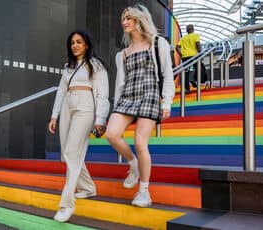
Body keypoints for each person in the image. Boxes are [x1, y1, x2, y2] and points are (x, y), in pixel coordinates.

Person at [105, 4, 175, 208]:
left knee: (140, 142)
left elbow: (167, 75)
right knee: (112, 134)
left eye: (129, 18)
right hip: (128, 96)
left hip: (150, 95)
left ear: (139, 19)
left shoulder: (157, 43)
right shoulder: (123, 54)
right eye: (123, 19)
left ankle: (144, 191)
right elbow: (120, 83)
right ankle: (132, 164)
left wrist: (167, 101)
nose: (124, 22)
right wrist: (115, 107)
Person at [48, 30, 110, 222]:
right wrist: (54, 116)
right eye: (73, 42)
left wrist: (100, 119)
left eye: (79, 42)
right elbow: (60, 92)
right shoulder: (68, 67)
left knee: (71, 153)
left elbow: (102, 95)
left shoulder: (96, 65)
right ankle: (88, 188)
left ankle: (66, 204)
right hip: (67, 106)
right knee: (67, 154)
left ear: (87, 45)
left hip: (85, 108)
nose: (75, 45)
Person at [176, 24, 201, 94]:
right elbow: (198, 44)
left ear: (187, 31)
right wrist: (200, 51)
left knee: (186, 73)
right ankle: (193, 80)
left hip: (185, 57)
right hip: (194, 56)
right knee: (199, 69)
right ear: (193, 29)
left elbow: (177, 47)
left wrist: (181, 54)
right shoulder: (196, 35)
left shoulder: (183, 38)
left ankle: (187, 89)